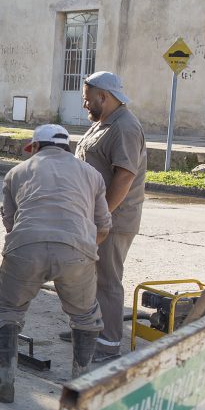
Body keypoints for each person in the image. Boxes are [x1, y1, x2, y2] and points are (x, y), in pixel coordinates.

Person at [0, 124, 112, 403]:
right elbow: (102, 227)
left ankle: (4, 382)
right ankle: (79, 389)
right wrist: (80, 250)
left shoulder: (16, 172)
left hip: (25, 247)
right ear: (67, 147)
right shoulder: (92, 174)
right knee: (86, 318)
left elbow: (10, 224)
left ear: (35, 147)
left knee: (8, 312)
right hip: (77, 250)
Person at [69, 71, 147, 363]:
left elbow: (124, 177)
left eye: (88, 99)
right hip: (93, 217)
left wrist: (103, 218)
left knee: (108, 281)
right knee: (87, 277)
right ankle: (88, 329)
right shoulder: (103, 123)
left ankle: (109, 343)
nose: (85, 105)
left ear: (104, 96)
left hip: (114, 221)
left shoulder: (125, 127)